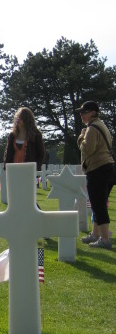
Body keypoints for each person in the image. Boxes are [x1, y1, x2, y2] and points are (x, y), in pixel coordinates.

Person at [77, 101, 114, 249]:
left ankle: (104, 239)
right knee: (99, 203)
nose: (81, 114)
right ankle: (95, 234)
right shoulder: (101, 125)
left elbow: (87, 149)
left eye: (84, 112)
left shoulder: (91, 129)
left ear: (93, 112)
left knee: (98, 205)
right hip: (107, 168)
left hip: (98, 169)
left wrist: (81, 137)